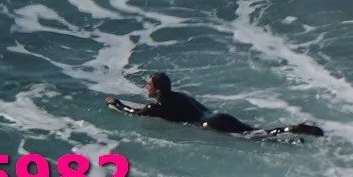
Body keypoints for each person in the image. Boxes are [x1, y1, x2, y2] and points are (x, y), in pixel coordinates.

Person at [107, 72, 323, 138]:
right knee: (255, 134)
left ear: (158, 90)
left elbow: (133, 112)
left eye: (148, 85)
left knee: (255, 138)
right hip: (220, 117)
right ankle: (290, 134)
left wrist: (115, 103)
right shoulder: (182, 96)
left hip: (212, 126)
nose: (146, 88)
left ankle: (292, 130)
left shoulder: (157, 107)